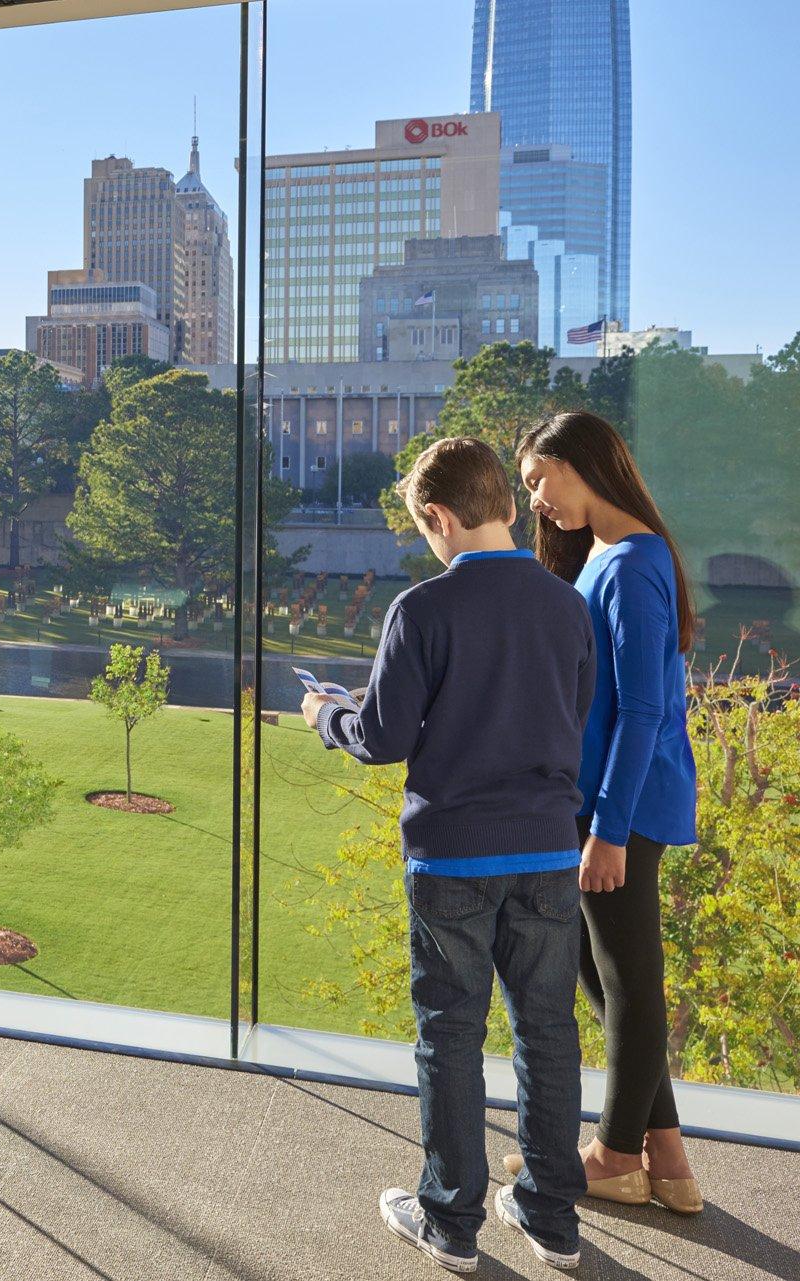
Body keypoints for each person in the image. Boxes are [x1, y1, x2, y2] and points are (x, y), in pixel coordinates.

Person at [302, 437, 593, 1273]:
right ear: (502, 499)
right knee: (547, 1032)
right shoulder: (567, 607)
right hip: (545, 851)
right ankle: (550, 1217)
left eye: (422, 526)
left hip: (454, 859)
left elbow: (384, 737)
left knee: (451, 1036)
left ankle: (452, 1222)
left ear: (437, 515)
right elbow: (566, 717)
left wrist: (330, 714)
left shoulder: (423, 610)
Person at [514, 411, 703, 1216]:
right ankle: (668, 1157)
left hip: (624, 808)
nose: (536, 503)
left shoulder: (631, 563)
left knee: (626, 982)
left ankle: (616, 1152)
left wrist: (610, 828)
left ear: (582, 463)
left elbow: (647, 710)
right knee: (607, 978)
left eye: (538, 482)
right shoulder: (607, 555)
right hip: (599, 803)